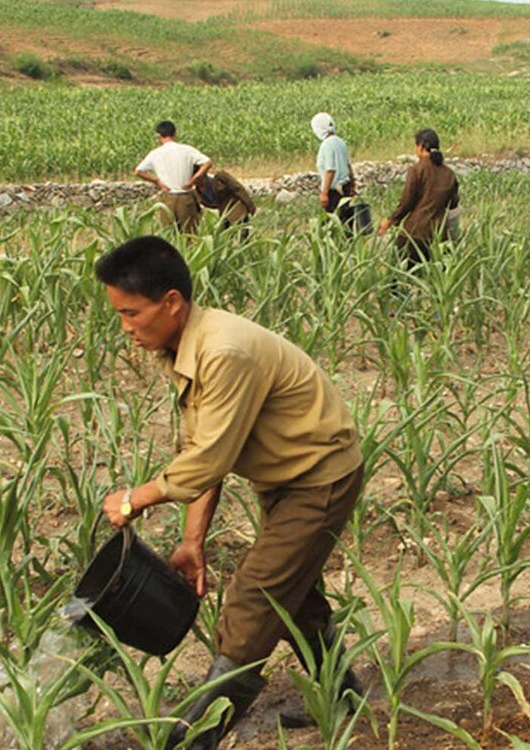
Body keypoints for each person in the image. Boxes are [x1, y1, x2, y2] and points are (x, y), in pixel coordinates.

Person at [95, 236, 365, 749]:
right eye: (119, 315)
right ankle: (344, 698)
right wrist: (193, 540)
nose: (126, 328)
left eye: (132, 313)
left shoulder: (223, 352)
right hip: (287, 476)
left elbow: (207, 461)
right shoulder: (184, 346)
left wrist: (134, 499)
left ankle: (196, 737)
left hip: (320, 477)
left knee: (254, 598)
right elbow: (207, 450)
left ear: (171, 302)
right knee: (294, 597)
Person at [377, 128, 459, 268]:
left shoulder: (417, 170)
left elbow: (406, 203)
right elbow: (453, 204)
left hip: (415, 234)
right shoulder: (449, 174)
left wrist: (390, 220)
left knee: (399, 280)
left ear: (420, 146)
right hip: (439, 236)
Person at [134, 120, 211, 233]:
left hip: (167, 197)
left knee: (168, 234)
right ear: (175, 133)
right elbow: (207, 162)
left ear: (158, 136)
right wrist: (194, 179)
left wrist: (157, 181)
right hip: (186, 197)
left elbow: (138, 171)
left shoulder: (155, 153)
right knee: (190, 235)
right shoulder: (187, 150)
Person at [310, 112, 359, 227]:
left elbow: (330, 170)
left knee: (333, 223)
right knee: (346, 222)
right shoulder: (340, 142)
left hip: (335, 192)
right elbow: (348, 166)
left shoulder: (327, 145)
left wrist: (324, 193)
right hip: (345, 187)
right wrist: (352, 185)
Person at [196, 168, 256, 238]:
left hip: (237, 209)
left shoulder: (220, 178)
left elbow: (238, 188)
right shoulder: (196, 190)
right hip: (224, 213)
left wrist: (250, 206)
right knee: (226, 237)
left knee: (242, 235)